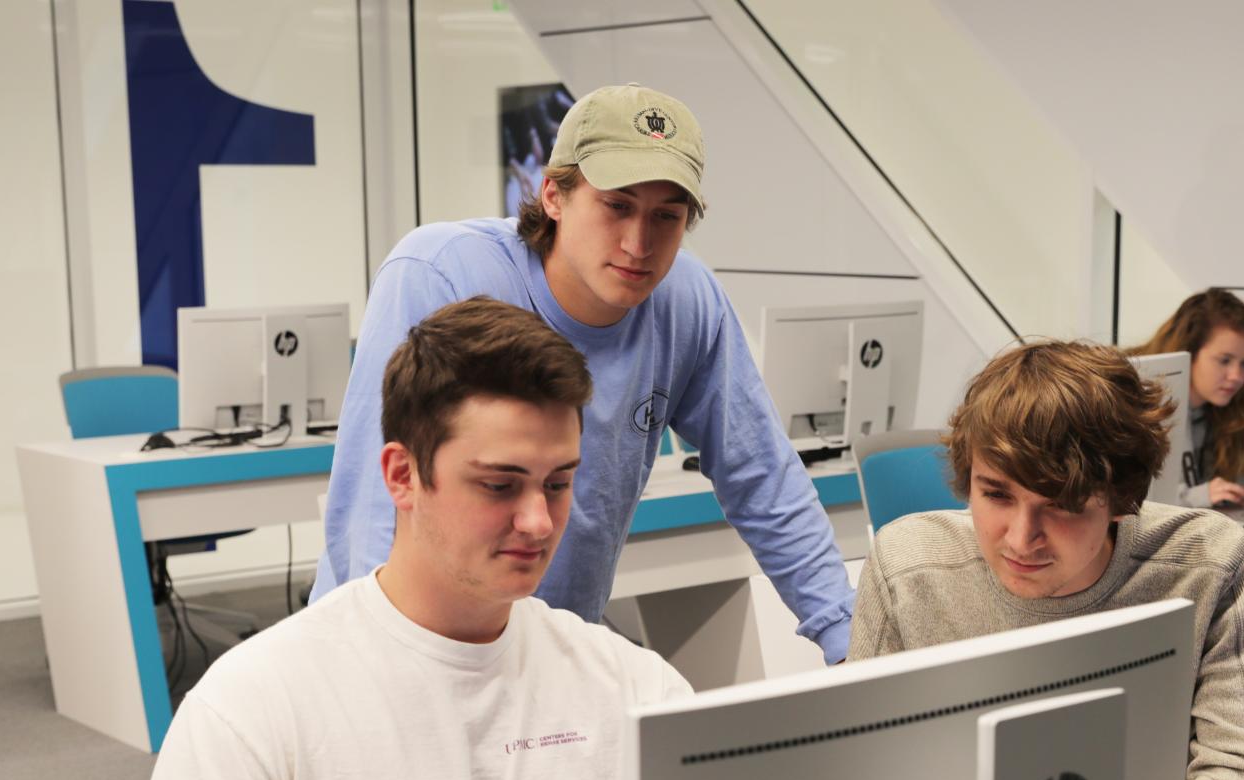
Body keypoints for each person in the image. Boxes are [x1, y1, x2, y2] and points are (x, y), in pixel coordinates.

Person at [121, 299, 692, 780]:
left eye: (559, 484)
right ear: (402, 475)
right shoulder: (258, 700)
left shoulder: (633, 685)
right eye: (499, 485)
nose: (538, 521)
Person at [316, 83, 856, 662]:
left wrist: (849, 638)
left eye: (666, 217)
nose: (638, 243)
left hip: (556, 649)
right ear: (553, 194)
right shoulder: (441, 273)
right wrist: (374, 665)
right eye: (617, 206)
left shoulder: (686, 300)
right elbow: (377, 499)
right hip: (402, 648)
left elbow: (763, 476)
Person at [849, 339, 1244, 780]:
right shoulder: (906, 565)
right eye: (995, 494)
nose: (1020, 538)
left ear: (1123, 500)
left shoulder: (1206, 560)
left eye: (1060, 506)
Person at [1133, 288, 1244, 518]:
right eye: (1224, 360)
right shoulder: (1136, 399)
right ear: (1187, 350)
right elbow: (1131, 503)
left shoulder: (1227, 403)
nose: (1237, 375)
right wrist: (1199, 497)